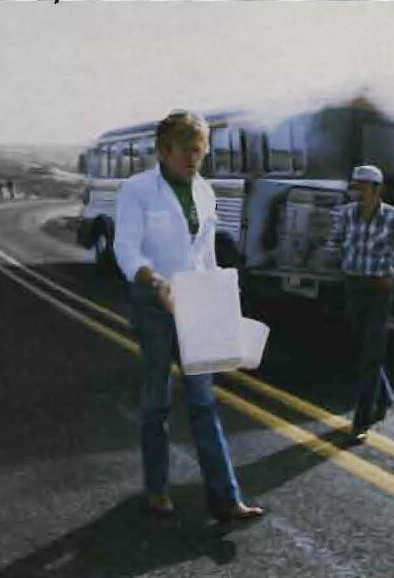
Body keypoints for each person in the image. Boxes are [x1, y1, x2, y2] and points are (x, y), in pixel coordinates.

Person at [113, 110, 263, 522]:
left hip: (196, 302)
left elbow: (206, 254)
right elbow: (126, 248)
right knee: (157, 401)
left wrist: (222, 301)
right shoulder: (137, 190)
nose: (194, 158)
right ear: (164, 150)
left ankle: (227, 499)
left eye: (200, 150)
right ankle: (157, 488)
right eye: (186, 150)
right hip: (154, 303)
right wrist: (155, 281)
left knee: (203, 402)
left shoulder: (205, 191)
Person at [327, 165, 394, 442]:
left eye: (362, 188)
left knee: (371, 354)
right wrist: (335, 261)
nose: (357, 193)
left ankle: (361, 422)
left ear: (376, 189)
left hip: (380, 290)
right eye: (354, 188)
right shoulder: (346, 215)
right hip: (354, 286)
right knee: (363, 348)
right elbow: (333, 243)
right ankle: (383, 398)